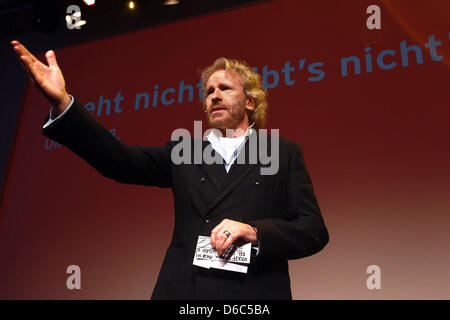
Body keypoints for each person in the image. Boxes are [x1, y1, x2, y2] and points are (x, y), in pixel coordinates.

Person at [10, 40, 329, 299]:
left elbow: (312, 229)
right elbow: (117, 159)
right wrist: (65, 103)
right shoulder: (184, 152)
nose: (214, 95)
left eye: (225, 89)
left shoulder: (283, 153)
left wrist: (256, 231)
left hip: (253, 295)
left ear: (250, 101)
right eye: (208, 92)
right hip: (184, 292)